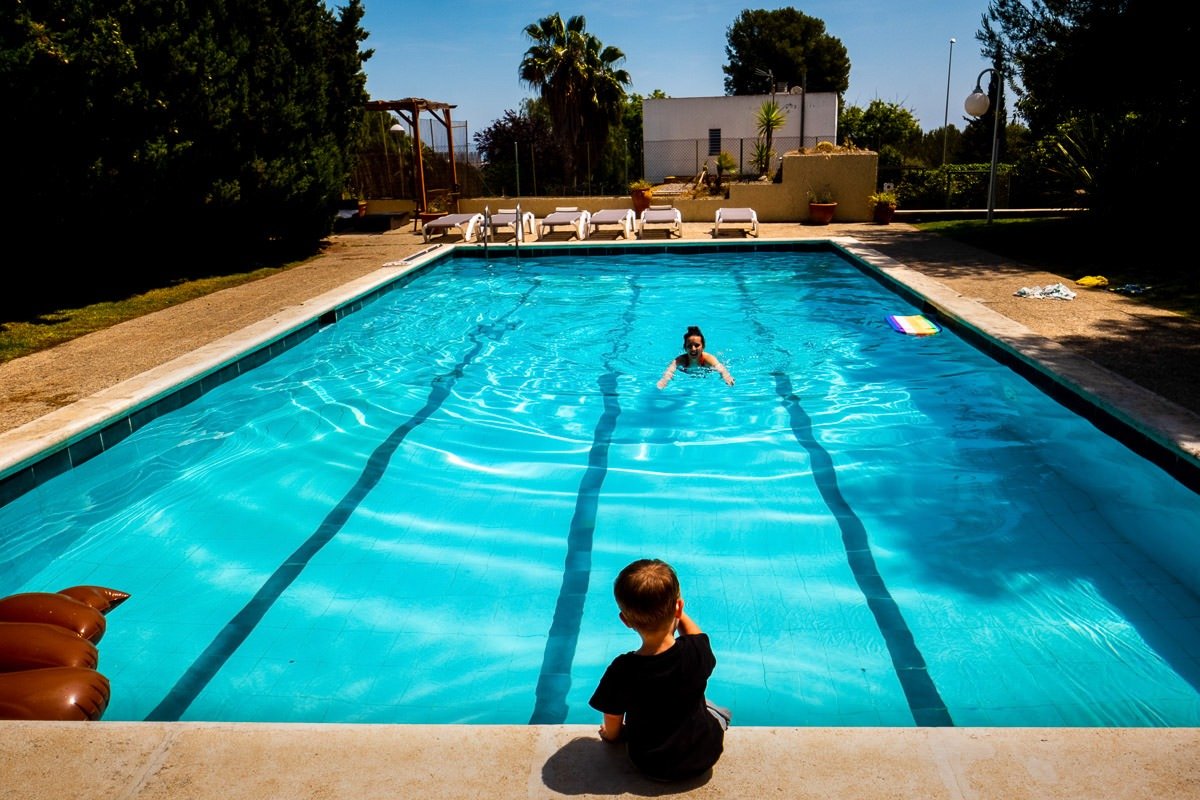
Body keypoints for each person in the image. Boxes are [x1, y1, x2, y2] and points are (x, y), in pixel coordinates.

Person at [589, 559, 729, 782]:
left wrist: (612, 737)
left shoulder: (623, 670)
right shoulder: (695, 651)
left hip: (650, 764)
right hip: (704, 755)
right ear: (679, 607)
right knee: (711, 707)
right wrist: (676, 612)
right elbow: (695, 635)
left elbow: (613, 715)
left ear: (625, 621)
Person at [656, 326, 734, 388]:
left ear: (703, 346)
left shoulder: (708, 359)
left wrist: (727, 377)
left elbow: (721, 369)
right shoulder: (680, 360)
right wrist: (664, 380)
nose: (693, 349)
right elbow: (669, 371)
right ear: (685, 348)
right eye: (689, 346)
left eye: (697, 345)